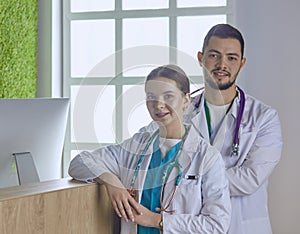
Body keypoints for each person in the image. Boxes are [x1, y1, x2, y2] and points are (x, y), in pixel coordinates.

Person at [142, 24, 283, 234]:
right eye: (214, 55)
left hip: (241, 227)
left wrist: (193, 178)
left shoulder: (263, 118)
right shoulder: (179, 108)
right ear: (200, 58)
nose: (221, 64)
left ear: (242, 63)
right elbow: (140, 150)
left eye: (231, 58)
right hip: (190, 226)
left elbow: (250, 179)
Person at [69, 64, 231, 233]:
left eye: (168, 96)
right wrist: (112, 182)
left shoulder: (207, 157)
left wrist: (157, 221)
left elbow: (217, 225)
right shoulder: (136, 146)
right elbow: (79, 163)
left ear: (186, 100)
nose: (158, 105)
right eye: (151, 96)